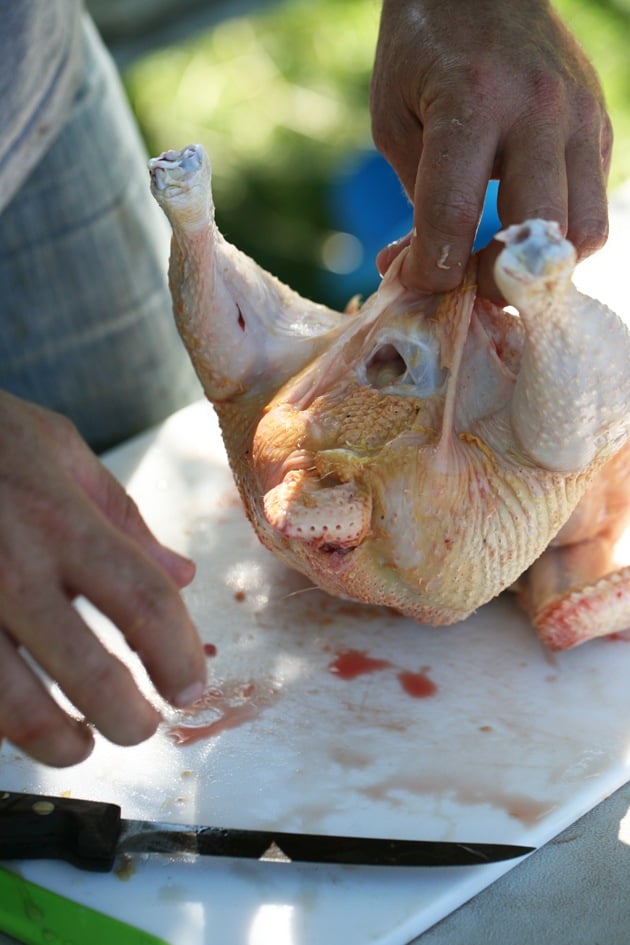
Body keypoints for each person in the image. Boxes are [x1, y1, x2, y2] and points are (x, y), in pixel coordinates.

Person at [0, 0, 612, 767]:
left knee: (127, 474)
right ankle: (544, 297)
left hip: (23, 74)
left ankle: (193, 221)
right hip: (463, 468)